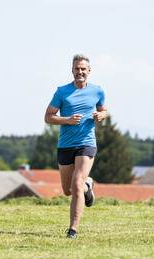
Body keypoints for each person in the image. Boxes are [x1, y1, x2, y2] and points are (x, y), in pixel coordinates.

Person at [44, 54, 107, 238]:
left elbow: (104, 111)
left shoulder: (98, 91)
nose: (80, 72)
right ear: (72, 71)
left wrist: (101, 116)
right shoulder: (62, 92)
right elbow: (48, 116)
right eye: (77, 69)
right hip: (65, 145)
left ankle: (72, 230)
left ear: (89, 71)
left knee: (76, 185)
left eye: (83, 69)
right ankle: (89, 187)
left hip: (86, 144)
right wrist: (67, 120)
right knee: (68, 190)